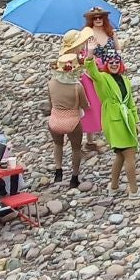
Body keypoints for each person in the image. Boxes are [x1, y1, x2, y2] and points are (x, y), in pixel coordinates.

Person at [85, 47, 140, 195]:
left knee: (120, 155)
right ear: (106, 64)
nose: (114, 64)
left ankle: (114, 188)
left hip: (126, 120)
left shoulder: (125, 80)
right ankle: (134, 192)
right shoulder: (103, 78)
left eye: (117, 61)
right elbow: (92, 71)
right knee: (129, 154)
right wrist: (90, 54)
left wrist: (136, 122)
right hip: (114, 120)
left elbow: (131, 103)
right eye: (111, 62)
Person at [48, 52, 87, 188]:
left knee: (58, 145)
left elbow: (50, 104)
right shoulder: (77, 87)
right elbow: (84, 105)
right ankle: (74, 177)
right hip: (72, 121)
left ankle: (58, 171)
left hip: (55, 119)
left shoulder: (51, 83)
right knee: (76, 149)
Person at [80, 8, 116, 149]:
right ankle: (90, 138)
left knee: (111, 101)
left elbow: (118, 51)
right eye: (95, 18)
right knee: (92, 104)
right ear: (91, 20)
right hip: (92, 74)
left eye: (100, 17)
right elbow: (83, 55)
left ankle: (113, 132)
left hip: (111, 71)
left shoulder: (111, 34)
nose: (98, 20)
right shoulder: (87, 36)